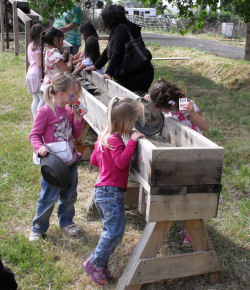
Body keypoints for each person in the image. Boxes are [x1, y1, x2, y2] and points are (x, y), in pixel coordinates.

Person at [83, 97, 144, 286]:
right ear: (125, 122)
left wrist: (105, 160)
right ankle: (94, 263)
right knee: (114, 233)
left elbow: (94, 160)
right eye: (133, 122)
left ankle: (101, 264)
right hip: (111, 193)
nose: (134, 126)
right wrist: (132, 142)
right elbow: (121, 162)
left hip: (103, 191)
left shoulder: (104, 136)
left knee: (111, 231)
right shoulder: (115, 139)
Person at [146, 79, 209, 245]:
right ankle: (184, 217)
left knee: (194, 192)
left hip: (195, 155)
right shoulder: (169, 107)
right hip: (179, 151)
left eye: (158, 107)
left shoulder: (187, 106)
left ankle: (193, 226)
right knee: (181, 189)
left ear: (168, 105)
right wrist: (150, 100)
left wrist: (193, 115)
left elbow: (206, 126)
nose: (157, 110)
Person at [29, 73, 85, 242]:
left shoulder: (68, 111)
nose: (75, 98)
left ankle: (66, 222)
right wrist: (39, 148)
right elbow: (34, 135)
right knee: (48, 197)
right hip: (54, 165)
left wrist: (77, 119)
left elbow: (75, 135)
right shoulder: (45, 112)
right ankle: (38, 228)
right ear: (60, 93)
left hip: (71, 161)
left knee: (69, 195)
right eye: (72, 95)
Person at [85, 5, 154, 95]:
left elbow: (117, 53)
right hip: (143, 71)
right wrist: (96, 66)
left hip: (133, 76)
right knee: (138, 102)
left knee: (131, 104)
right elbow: (109, 49)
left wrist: (108, 73)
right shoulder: (127, 26)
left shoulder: (120, 30)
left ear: (109, 20)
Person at [40, 27, 73, 92]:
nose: (62, 43)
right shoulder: (55, 55)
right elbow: (67, 71)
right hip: (55, 88)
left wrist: (62, 58)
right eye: (62, 40)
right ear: (55, 40)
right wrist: (70, 61)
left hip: (47, 85)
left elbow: (53, 66)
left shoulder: (46, 51)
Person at [26, 24, 44, 119]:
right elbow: (39, 64)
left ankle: (35, 120)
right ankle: (39, 120)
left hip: (30, 73)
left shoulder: (30, 45)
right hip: (36, 74)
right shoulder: (37, 47)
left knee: (35, 98)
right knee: (42, 99)